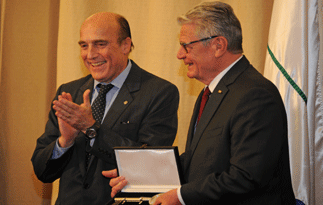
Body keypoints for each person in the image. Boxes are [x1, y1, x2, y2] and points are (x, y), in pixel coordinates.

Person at [103, 2, 296, 204]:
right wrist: (138, 173)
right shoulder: (211, 92)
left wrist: (180, 196)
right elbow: (199, 161)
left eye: (187, 46)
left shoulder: (255, 95)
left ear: (218, 45)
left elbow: (246, 176)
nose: (180, 55)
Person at [31, 12, 179, 205]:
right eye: (84, 45)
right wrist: (65, 141)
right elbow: (43, 172)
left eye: (100, 44)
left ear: (125, 45)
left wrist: (91, 128)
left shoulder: (159, 92)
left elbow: (151, 167)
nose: (90, 54)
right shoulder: (69, 92)